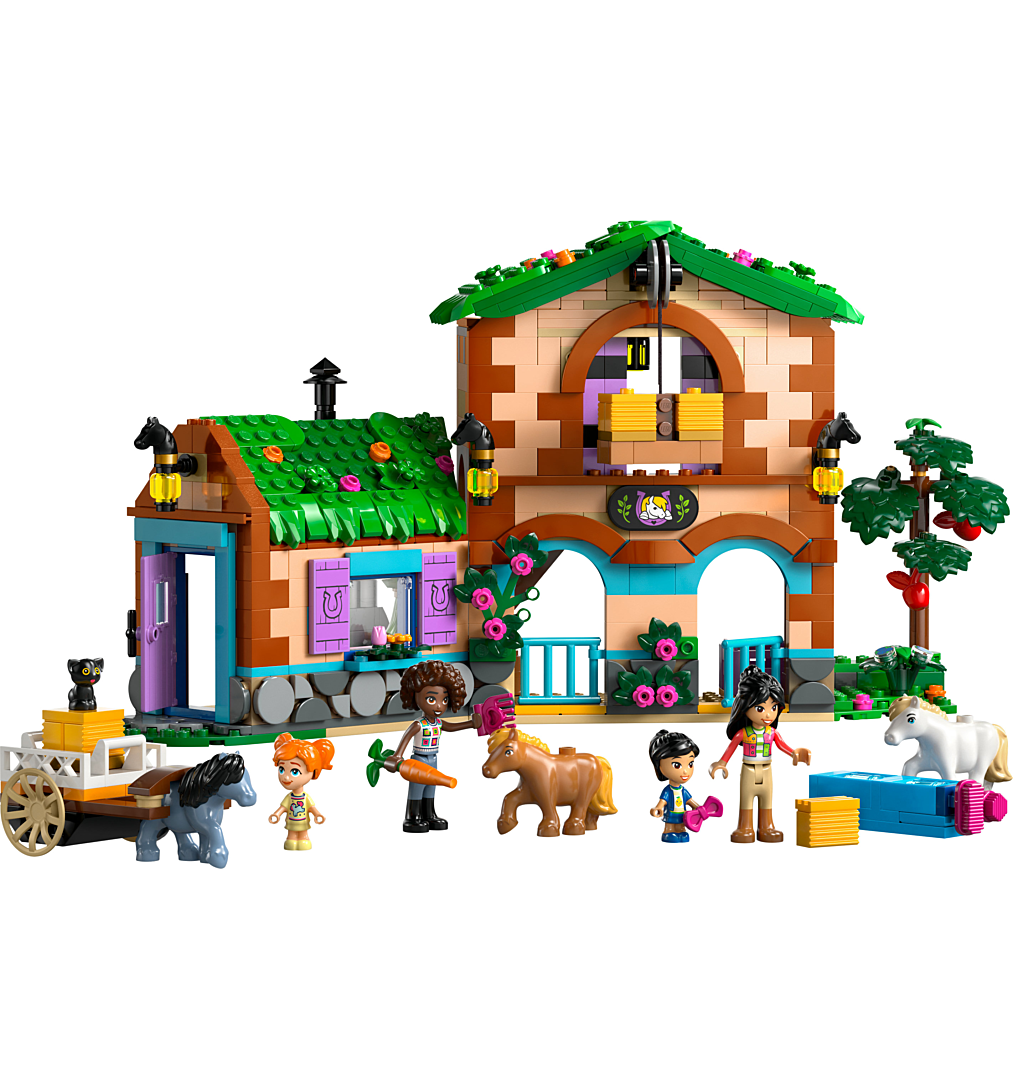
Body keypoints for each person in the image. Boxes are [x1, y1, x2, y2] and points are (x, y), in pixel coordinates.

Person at [709, 666, 810, 844]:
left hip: (766, 770)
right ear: (745, 707)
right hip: (748, 770)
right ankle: (745, 827)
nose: (769, 714)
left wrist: (794, 753)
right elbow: (730, 748)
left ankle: (766, 826)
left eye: (774, 707)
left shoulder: (772, 733)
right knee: (746, 799)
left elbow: (782, 745)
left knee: (767, 799)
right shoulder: (743, 733)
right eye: (760, 708)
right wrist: (721, 763)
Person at [385, 661, 483, 833]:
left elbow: (451, 727)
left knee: (431, 787)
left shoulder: (438, 722)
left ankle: (429, 814)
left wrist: (471, 724)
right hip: (418, 760)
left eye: (444, 700)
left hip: (433, 759)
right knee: (417, 788)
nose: (439, 706)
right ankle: (412, 817)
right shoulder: (419, 724)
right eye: (431, 699)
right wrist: (397, 756)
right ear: (415, 697)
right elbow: (406, 738)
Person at [269, 733, 335, 850]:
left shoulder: (305, 797)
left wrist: (317, 814)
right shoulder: (289, 797)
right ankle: (291, 840)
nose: (286, 777)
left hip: (303, 822)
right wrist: (277, 814)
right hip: (291, 822)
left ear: (313, 772)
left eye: (294, 771)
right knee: (291, 838)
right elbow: (283, 807)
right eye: (282, 769)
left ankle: (304, 838)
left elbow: (311, 807)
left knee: (303, 836)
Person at [648, 731, 703, 843]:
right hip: (670, 816)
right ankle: (668, 832)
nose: (685, 771)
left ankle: (681, 832)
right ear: (660, 766)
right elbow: (663, 801)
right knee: (670, 827)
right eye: (677, 765)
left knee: (682, 829)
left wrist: (699, 808)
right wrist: (658, 808)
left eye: (690, 764)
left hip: (683, 817)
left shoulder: (683, 791)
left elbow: (690, 801)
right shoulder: (668, 791)